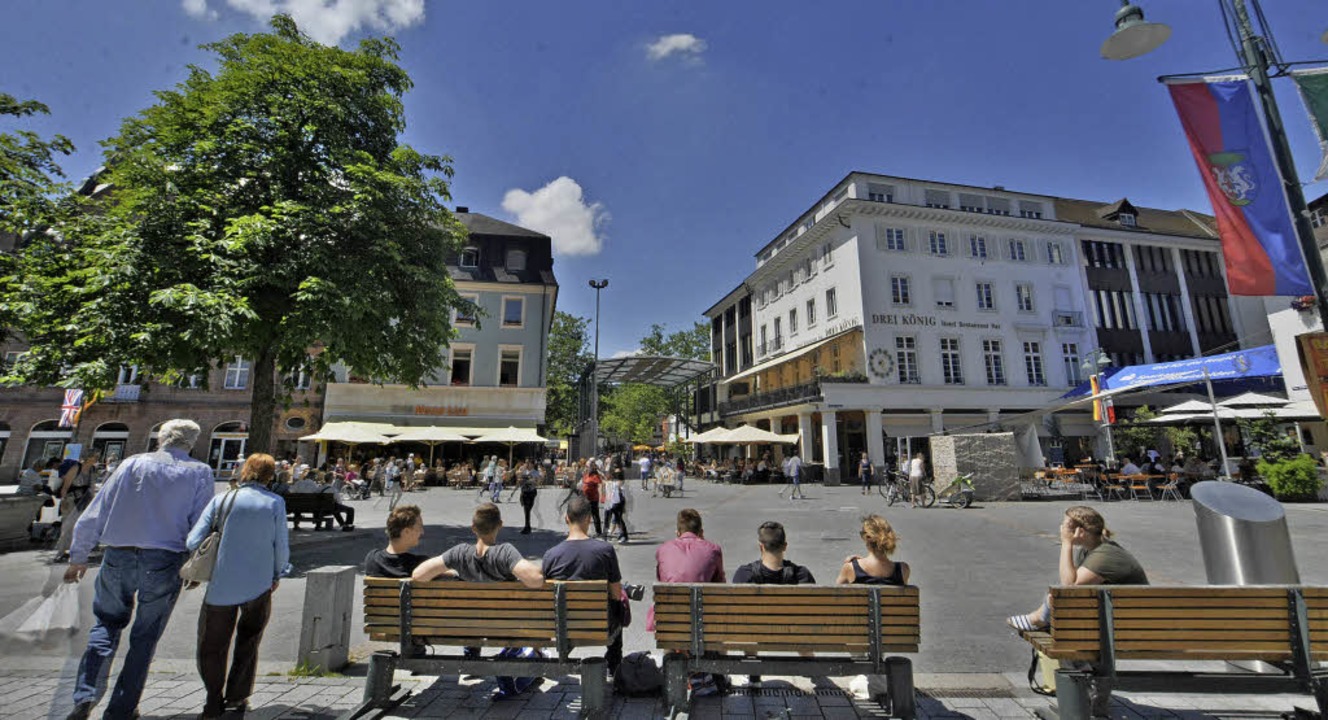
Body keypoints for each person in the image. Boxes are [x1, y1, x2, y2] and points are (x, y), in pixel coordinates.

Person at [63, 419, 215, 720]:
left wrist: (78, 556)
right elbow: (200, 525)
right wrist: (194, 565)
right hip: (164, 558)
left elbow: (97, 511)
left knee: (105, 625)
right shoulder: (199, 472)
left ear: (161, 438)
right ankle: (122, 709)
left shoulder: (132, 464)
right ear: (192, 443)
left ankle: (86, 695)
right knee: (145, 637)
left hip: (118, 554)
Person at [188, 454, 290, 718]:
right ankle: (236, 697)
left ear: (245, 471)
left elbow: (193, 540)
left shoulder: (222, 499)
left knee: (212, 644)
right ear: (271, 475)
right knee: (249, 639)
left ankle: (212, 699)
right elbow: (281, 546)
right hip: (259, 583)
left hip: (222, 582)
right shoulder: (274, 503)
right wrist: (277, 573)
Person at [1006, 506, 1148, 632]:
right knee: (1057, 598)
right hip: (1120, 615)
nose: (1061, 528)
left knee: (1058, 597)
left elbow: (1069, 587)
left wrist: (1067, 543)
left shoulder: (1105, 555)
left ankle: (1037, 619)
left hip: (1131, 624)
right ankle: (1040, 619)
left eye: (1065, 526)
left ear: (1081, 531)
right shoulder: (1092, 549)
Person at [541, 495, 626, 676]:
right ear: (589, 519)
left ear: (567, 519)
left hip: (562, 625)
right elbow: (616, 594)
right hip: (600, 624)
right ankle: (614, 665)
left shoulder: (551, 555)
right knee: (619, 606)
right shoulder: (605, 550)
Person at [650, 509, 727, 692]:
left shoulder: (663, 550)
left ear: (678, 532)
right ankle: (719, 677)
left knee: (668, 613)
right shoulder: (714, 549)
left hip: (671, 622)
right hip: (703, 622)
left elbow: (662, 581)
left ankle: (670, 675)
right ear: (701, 532)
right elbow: (720, 586)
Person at [732, 521, 815, 687]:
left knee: (747, 627)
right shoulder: (802, 575)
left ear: (761, 546)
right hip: (792, 633)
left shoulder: (744, 574)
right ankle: (811, 666)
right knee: (802, 624)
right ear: (785, 546)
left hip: (755, 634)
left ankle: (754, 675)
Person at [412, 503, 543, 586]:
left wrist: (451, 572)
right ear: (500, 525)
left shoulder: (459, 553)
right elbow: (536, 579)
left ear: (473, 528)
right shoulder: (505, 552)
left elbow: (418, 575)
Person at [53, 450, 100, 563]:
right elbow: (65, 486)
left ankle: (77, 550)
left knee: (82, 525)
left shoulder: (92, 469)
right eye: (95, 456)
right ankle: (61, 552)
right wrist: (63, 500)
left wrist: (93, 503)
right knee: (68, 525)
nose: (97, 459)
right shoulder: (76, 468)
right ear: (88, 457)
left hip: (84, 500)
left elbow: (92, 487)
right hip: (71, 500)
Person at [837, 515, 910, 586]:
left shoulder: (851, 569)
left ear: (867, 538)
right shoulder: (903, 569)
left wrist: (849, 564)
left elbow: (836, 595)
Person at [363, 505, 429, 578]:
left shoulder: (373, 559)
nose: (422, 532)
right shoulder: (420, 564)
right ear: (406, 532)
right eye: (419, 527)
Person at [582, 462, 604, 537]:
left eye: (588, 467)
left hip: (593, 499)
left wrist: (602, 496)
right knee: (585, 516)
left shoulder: (595, 476)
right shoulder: (586, 475)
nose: (587, 468)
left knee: (595, 516)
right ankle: (584, 531)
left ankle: (599, 532)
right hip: (585, 498)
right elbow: (583, 484)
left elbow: (600, 486)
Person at [519, 464, 539, 534]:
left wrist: (530, 480)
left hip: (531, 492)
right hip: (524, 492)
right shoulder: (523, 472)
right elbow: (520, 482)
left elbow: (537, 482)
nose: (527, 465)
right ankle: (527, 526)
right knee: (526, 509)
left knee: (528, 509)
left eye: (529, 463)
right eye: (526, 464)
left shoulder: (535, 472)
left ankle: (527, 526)